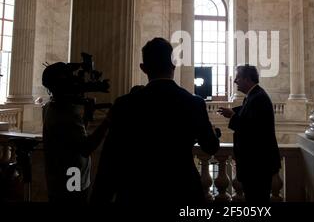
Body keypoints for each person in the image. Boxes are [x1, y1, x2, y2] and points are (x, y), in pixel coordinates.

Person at [91, 38, 220, 203]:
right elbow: (211, 147)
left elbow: (110, 161)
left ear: (143, 68)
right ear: (173, 66)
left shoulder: (124, 104)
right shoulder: (194, 103)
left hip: (137, 193)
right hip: (182, 191)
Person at [42, 62, 110, 203]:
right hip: (71, 179)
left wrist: (85, 116)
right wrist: (108, 121)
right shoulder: (66, 113)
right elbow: (86, 148)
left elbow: (74, 137)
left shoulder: (49, 107)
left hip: (60, 180)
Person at [218, 65, 281, 203]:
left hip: (257, 166)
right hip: (255, 165)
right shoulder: (254, 95)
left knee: (257, 201)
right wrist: (232, 112)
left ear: (247, 79)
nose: (235, 81)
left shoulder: (258, 98)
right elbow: (247, 114)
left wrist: (232, 116)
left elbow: (252, 128)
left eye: (238, 77)